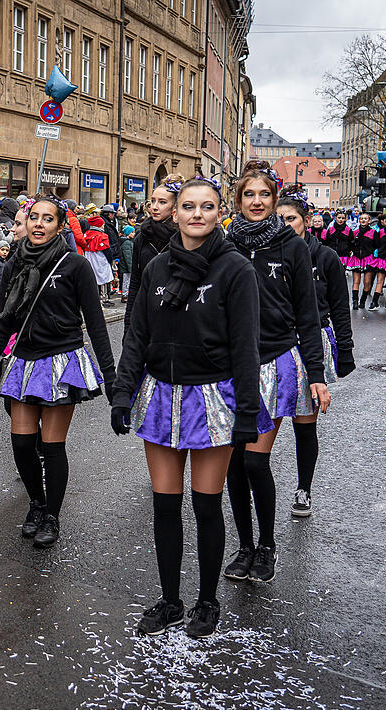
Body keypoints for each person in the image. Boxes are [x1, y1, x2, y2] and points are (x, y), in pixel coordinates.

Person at [110, 178, 260, 639]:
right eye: (188, 206)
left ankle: (208, 600)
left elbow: (245, 347)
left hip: (213, 398)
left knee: (207, 505)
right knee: (165, 505)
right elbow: (136, 334)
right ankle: (171, 599)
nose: (197, 214)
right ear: (175, 212)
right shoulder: (156, 267)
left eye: (207, 206)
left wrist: (247, 412)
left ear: (220, 213)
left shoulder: (235, 269)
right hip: (160, 395)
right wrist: (122, 392)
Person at [0, 196, 117, 548]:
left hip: (61, 360)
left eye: (47, 219)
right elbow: (3, 321)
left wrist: (111, 377)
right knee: (22, 444)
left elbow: (96, 324)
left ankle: (51, 515)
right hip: (24, 361)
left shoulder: (74, 265)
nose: (38, 224)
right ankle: (35, 504)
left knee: (53, 447)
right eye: (33, 218)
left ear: (60, 225)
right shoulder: (14, 264)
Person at [222, 160, 328, 584]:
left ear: (274, 197)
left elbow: (307, 312)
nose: (257, 201)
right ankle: (245, 546)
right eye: (249, 194)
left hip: (273, 362)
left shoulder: (291, 245)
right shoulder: (223, 243)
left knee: (253, 460)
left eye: (264, 194)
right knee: (231, 462)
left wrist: (316, 373)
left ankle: (266, 546)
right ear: (238, 200)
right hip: (227, 367)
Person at [277, 187, 354, 518]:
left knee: (304, 425)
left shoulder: (325, 258)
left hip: (310, 344)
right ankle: (253, 482)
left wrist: (346, 350)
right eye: (276, 219)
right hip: (273, 347)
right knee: (262, 422)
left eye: (290, 218)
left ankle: (303, 489)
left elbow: (340, 307)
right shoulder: (266, 255)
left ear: (307, 221)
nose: (283, 225)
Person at [124, 176, 181, 332]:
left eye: (162, 202)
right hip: (146, 314)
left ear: (175, 206)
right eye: (153, 201)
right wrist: (128, 328)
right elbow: (135, 283)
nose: (154, 207)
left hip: (176, 316)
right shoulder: (142, 236)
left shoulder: (184, 237)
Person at [350, 213, 377, 310]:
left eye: (365, 219)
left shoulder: (373, 232)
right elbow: (351, 244)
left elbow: (376, 245)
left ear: (369, 221)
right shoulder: (355, 232)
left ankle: (363, 300)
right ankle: (355, 301)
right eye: (361, 219)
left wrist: (371, 253)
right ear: (359, 220)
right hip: (356, 258)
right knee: (356, 281)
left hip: (368, 258)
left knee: (367, 282)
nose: (363, 220)